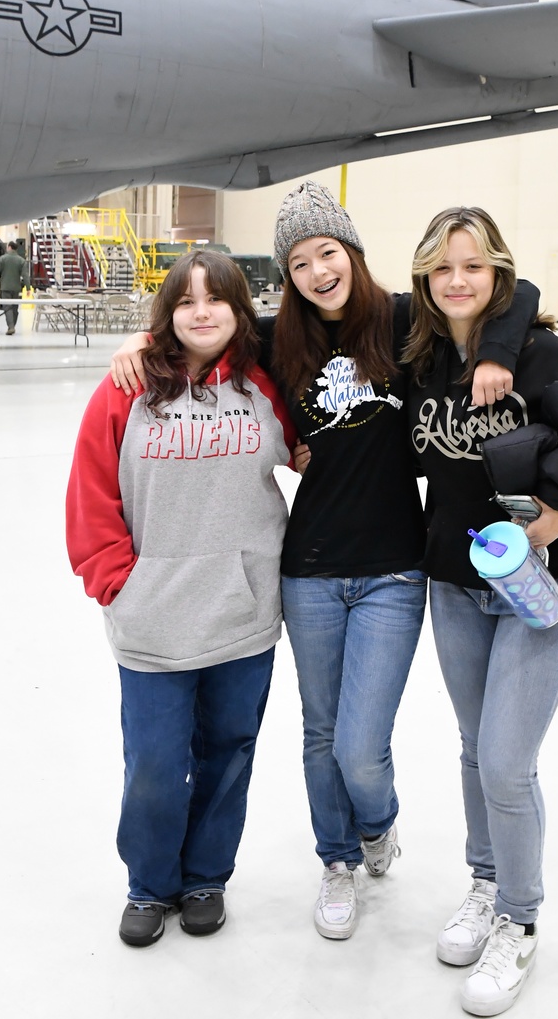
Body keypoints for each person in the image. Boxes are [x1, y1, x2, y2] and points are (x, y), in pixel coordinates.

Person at [111, 181, 535, 942]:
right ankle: (336, 861)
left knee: (359, 746)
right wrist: (141, 344)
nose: (316, 270)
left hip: (395, 569)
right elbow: (205, 335)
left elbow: (514, 291)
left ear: (352, 253)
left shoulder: (405, 321)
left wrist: (499, 353)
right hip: (306, 568)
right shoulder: (280, 339)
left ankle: (378, 820)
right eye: (300, 261)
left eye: (327, 252)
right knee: (317, 732)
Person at [405, 206, 558, 1019]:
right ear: (425, 276)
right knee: (470, 748)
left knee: (506, 761)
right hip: (455, 585)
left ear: (499, 275)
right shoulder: (419, 360)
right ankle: (485, 884)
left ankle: (519, 918)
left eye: (475, 267)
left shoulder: (547, 355)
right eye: (444, 267)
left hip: (539, 591)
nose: (458, 281)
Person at [67, 250, 296, 947]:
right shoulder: (127, 387)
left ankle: (205, 877)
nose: (202, 313)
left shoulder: (265, 385)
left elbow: (318, 452)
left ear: (239, 309)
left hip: (242, 613)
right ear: (165, 314)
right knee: (156, 766)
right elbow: (91, 491)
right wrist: (117, 583)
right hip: (153, 618)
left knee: (229, 752)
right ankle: (149, 883)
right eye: (186, 301)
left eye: (217, 299)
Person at [0, 241, 30, 334]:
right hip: (16, 288)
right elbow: (25, 275)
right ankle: (13, 326)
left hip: (5, 287)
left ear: (9, 247)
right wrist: (28, 288)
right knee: (15, 308)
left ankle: (11, 327)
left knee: (7, 307)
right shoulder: (21, 260)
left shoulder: (2, 259)